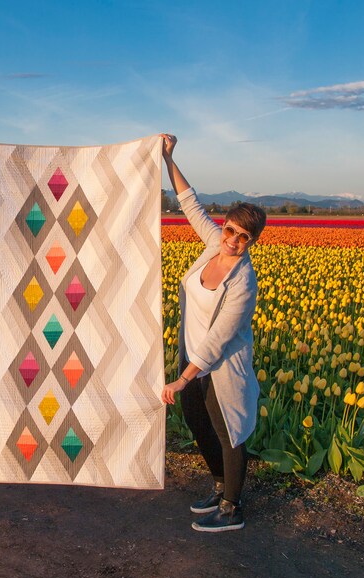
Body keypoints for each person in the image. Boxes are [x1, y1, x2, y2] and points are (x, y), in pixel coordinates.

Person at [160, 133, 266, 532]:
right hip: (192, 356)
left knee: (228, 431)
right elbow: (190, 203)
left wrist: (182, 378)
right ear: (224, 226)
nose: (233, 241)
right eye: (230, 230)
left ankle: (232, 508)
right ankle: (220, 486)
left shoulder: (244, 282)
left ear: (252, 241)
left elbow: (219, 338)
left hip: (221, 366)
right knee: (197, 423)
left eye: (244, 237)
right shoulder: (211, 245)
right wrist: (169, 158)